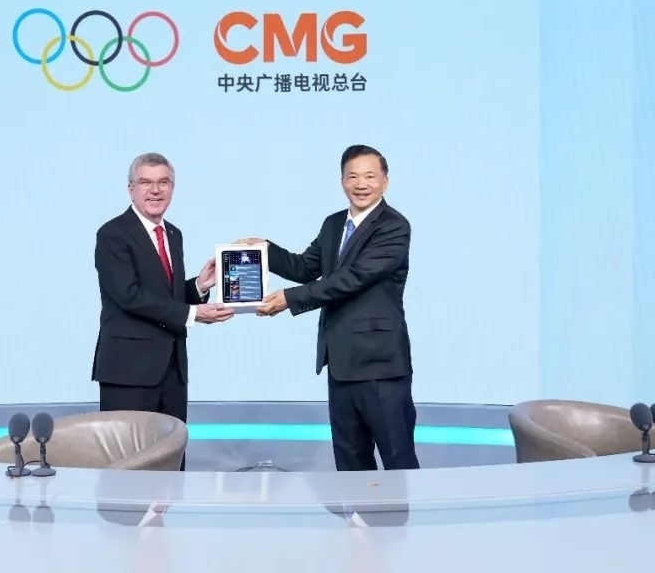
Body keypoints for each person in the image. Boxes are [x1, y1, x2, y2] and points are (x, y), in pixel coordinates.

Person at [238, 144, 418, 471]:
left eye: (370, 176)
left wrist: (290, 299)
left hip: (381, 366)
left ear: (385, 181)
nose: (361, 184)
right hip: (340, 362)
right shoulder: (333, 224)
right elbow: (305, 267)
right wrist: (264, 250)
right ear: (342, 181)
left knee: (398, 459)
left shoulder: (394, 226)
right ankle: (357, 507)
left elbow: (352, 278)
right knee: (350, 460)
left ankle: (404, 509)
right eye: (353, 176)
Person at [93, 152, 233, 469]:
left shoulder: (173, 234)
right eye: (146, 182)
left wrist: (198, 286)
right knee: (128, 469)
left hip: (172, 371)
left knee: (171, 465)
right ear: (131, 188)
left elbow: (164, 295)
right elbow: (129, 296)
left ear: (172, 188)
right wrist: (194, 314)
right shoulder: (112, 234)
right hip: (129, 373)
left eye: (163, 182)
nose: (155, 190)